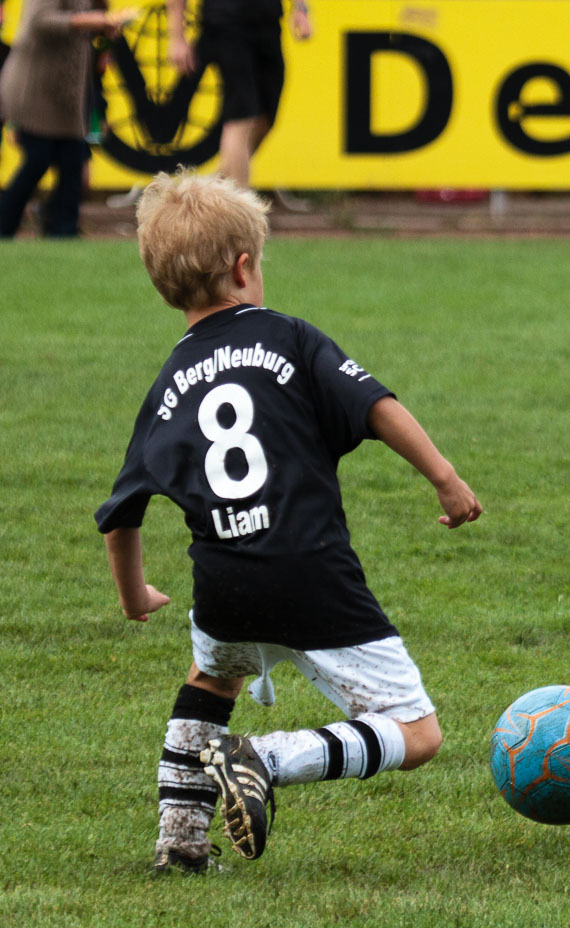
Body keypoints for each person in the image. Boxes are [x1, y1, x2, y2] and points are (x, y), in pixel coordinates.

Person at [95, 170, 482, 872]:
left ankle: (179, 841)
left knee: (212, 680)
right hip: (310, 571)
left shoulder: (167, 385)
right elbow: (377, 408)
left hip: (223, 581)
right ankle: (268, 759)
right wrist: (447, 480)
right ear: (245, 267)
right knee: (418, 735)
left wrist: (133, 594)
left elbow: (121, 513)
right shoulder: (289, 340)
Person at [0, 0, 131, 236]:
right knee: (38, 160)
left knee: (73, 163)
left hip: (68, 96)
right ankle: (6, 225)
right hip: (35, 90)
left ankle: (63, 231)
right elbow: (39, 22)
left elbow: (94, 14)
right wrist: (90, 21)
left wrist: (103, 26)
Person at [166, 0, 311, 187]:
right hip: (225, 24)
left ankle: (215, 190)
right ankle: (238, 204)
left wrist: (300, 8)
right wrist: (177, 37)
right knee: (242, 116)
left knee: (265, 119)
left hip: (267, 23)